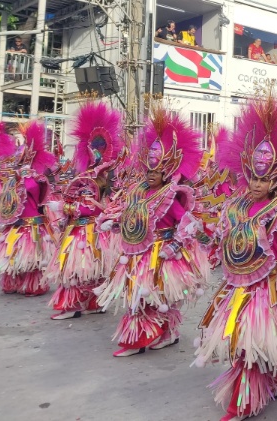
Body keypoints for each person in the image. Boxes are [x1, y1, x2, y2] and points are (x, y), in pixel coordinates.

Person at [193, 93, 277, 421]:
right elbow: (220, 240)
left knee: (257, 346)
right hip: (238, 288)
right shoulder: (235, 204)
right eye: (254, 176)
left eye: (265, 178)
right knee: (244, 344)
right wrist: (195, 232)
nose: (257, 183)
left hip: (270, 291)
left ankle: (248, 394)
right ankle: (267, 383)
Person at [94, 106, 210, 357]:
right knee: (138, 296)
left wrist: (176, 246)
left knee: (159, 298)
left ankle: (166, 333)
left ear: (167, 171)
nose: (151, 175)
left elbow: (188, 223)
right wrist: (112, 224)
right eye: (148, 170)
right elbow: (130, 217)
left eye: (156, 171)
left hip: (162, 256)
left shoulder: (171, 194)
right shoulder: (137, 190)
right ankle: (142, 336)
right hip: (136, 253)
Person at [44, 101, 124, 320]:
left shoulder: (95, 179)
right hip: (89, 232)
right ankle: (93, 303)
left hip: (85, 232)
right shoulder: (97, 177)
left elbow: (89, 207)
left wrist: (63, 207)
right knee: (90, 270)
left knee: (76, 270)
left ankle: (74, 304)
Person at [0, 121, 57, 296]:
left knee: (32, 259)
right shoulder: (15, 179)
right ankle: (13, 282)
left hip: (32, 224)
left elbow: (34, 193)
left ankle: (32, 284)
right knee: (12, 256)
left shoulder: (34, 179)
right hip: (16, 224)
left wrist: (23, 177)